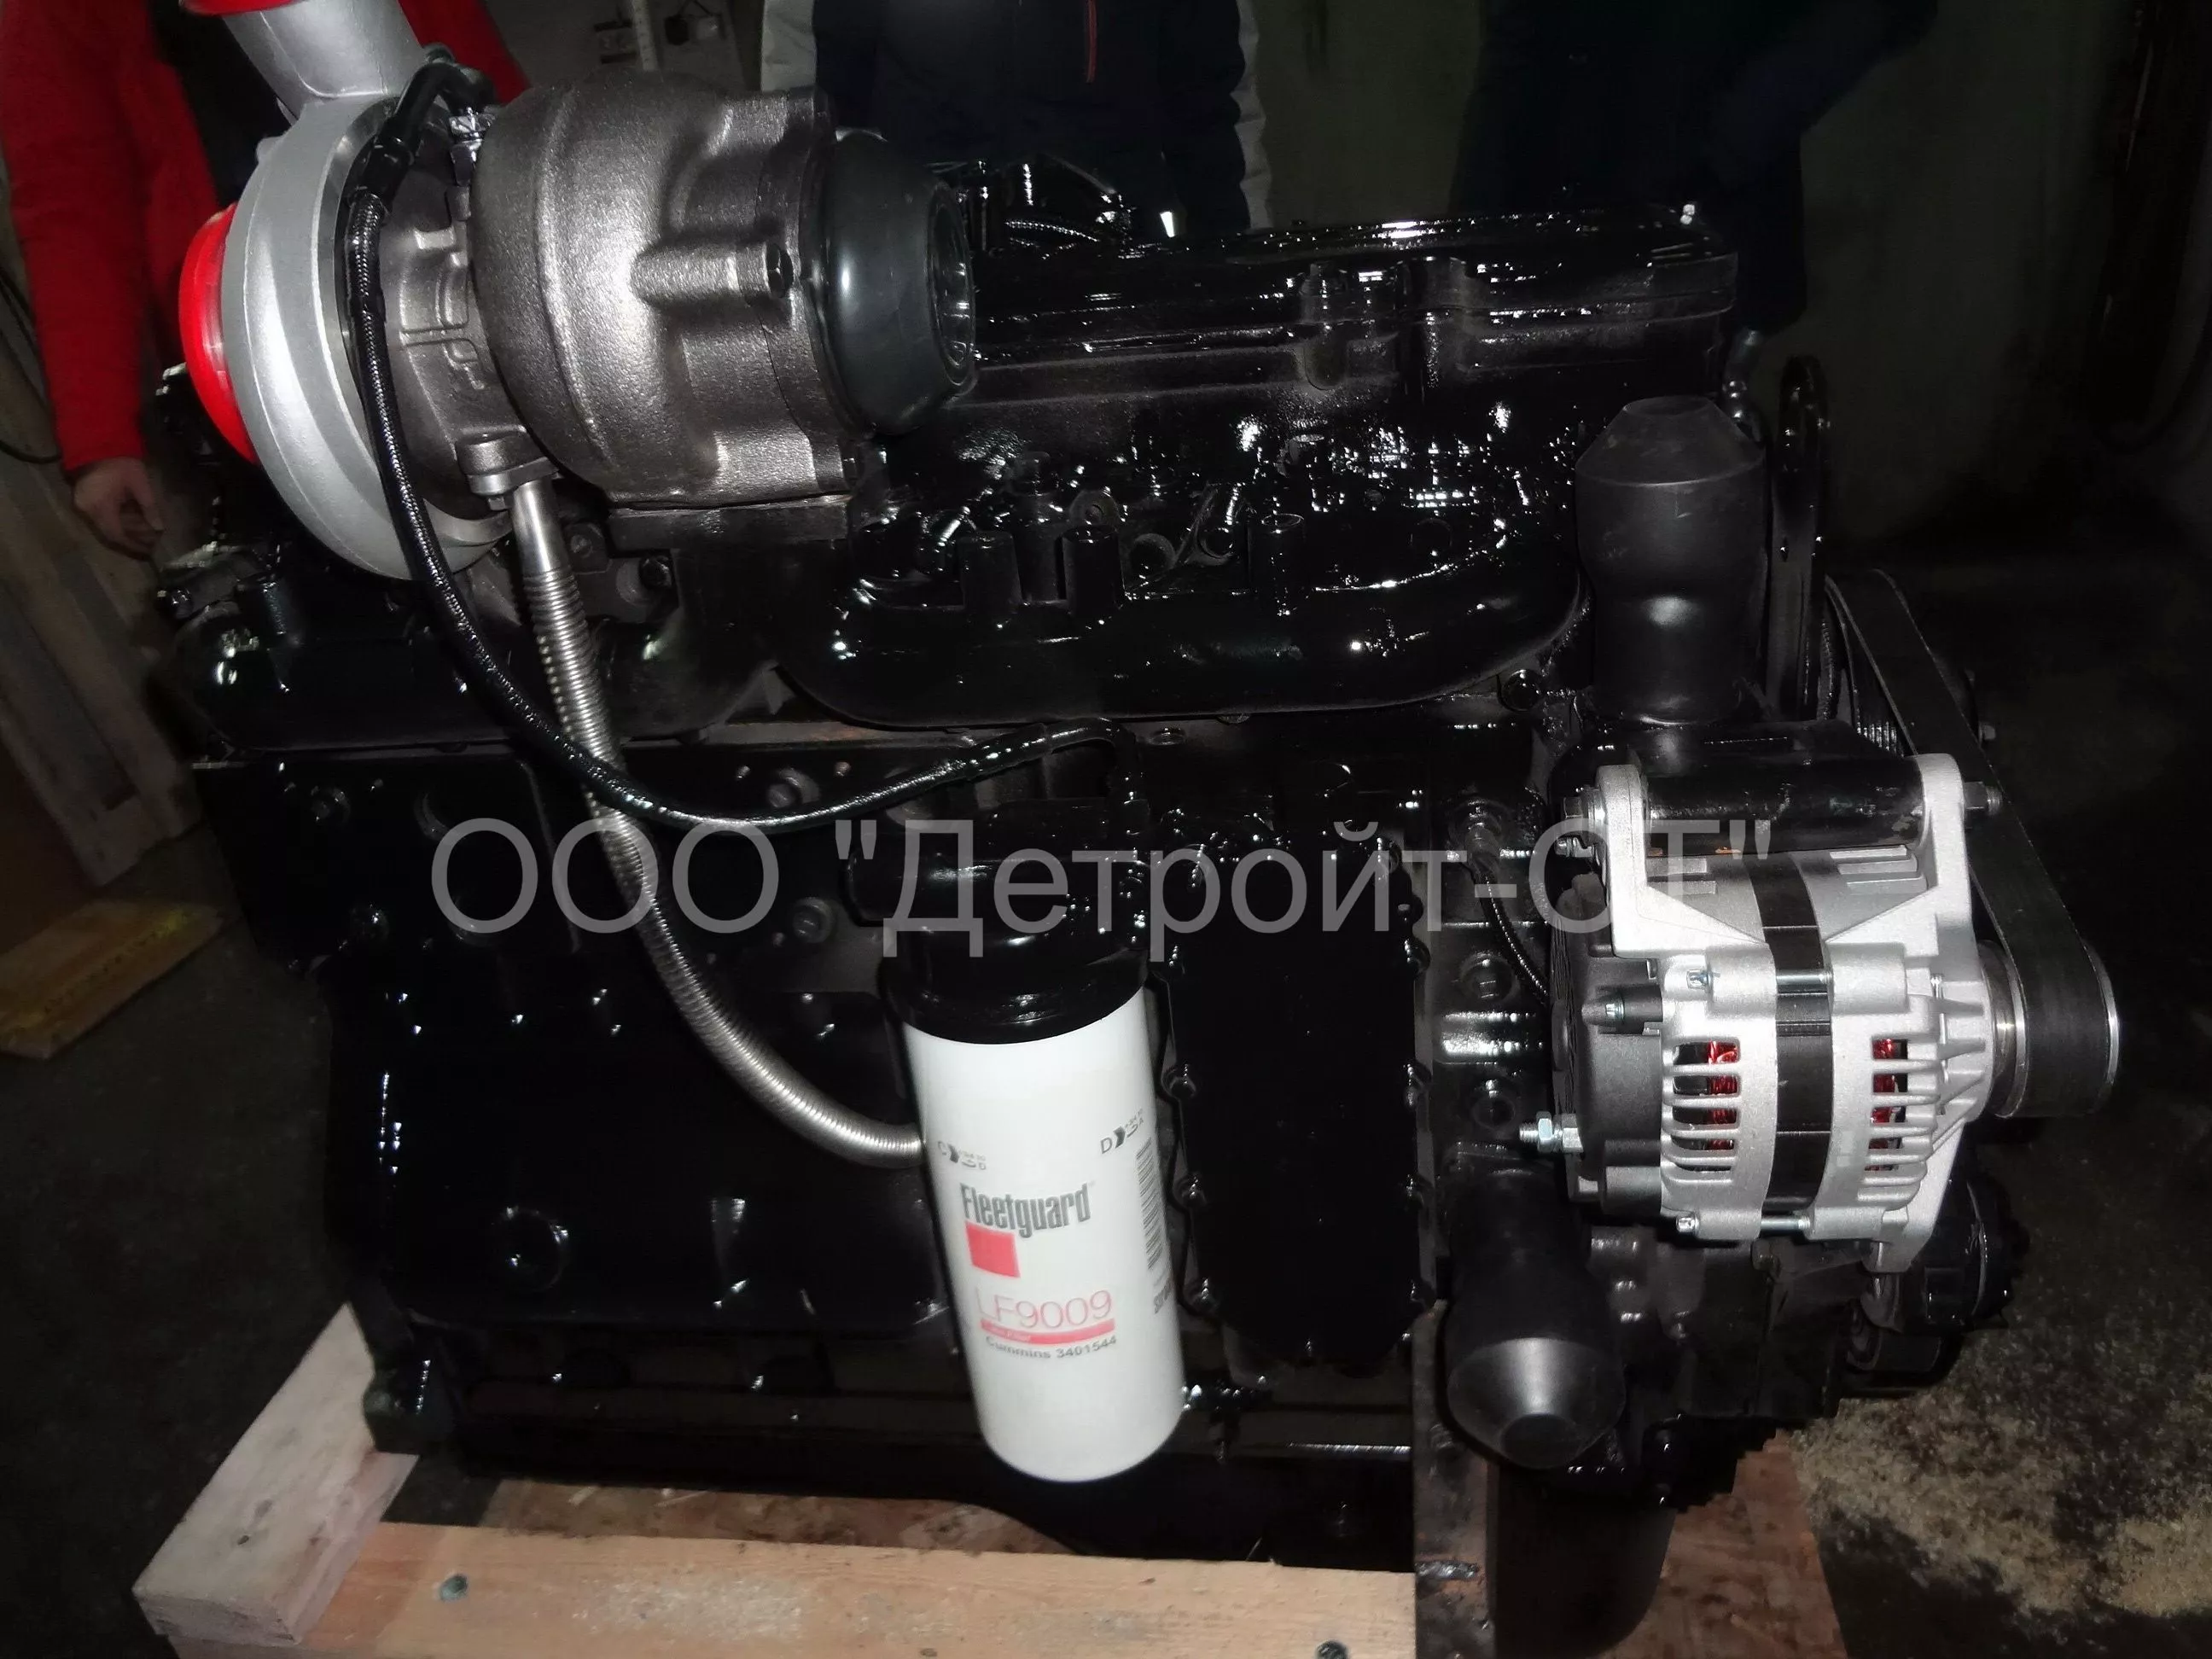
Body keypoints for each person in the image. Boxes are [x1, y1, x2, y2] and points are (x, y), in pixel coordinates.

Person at [0, 0, 526, 555]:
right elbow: (74, 209)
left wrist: (539, 212)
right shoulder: (52, 14)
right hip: (257, 357)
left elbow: (466, 61)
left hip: (457, 257)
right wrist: (100, 437)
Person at [1452, 0, 1937, 336]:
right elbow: (1513, 44)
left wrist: (1722, 151)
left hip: (1696, 236)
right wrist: (1466, 243)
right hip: (1529, 240)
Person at [760, 0, 1269, 242]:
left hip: (1126, 274)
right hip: (915, 283)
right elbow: (804, 108)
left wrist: (1244, 262)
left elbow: (1216, 108)